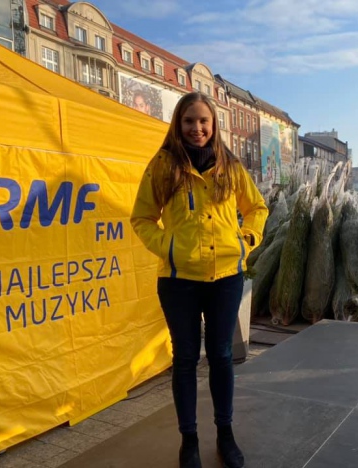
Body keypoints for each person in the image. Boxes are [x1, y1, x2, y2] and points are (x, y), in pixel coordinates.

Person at [131, 92, 268, 468]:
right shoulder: (163, 165)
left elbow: (257, 207)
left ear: (214, 124)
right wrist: (169, 247)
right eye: (189, 121)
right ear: (178, 123)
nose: (197, 128)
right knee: (186, 358)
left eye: (203, 121)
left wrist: (246, 240)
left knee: (222, 355)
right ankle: (188, 441)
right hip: (179, 280)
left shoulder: (230, 165)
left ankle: (225, 434)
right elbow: (142, 217)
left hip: (225, 276)